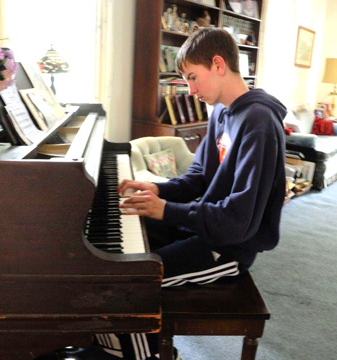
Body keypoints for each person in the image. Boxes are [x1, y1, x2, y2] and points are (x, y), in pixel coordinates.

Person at [96, 27, 287, 360]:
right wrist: (157, 190)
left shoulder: (259, 122)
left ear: (218, 64)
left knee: (130, 286)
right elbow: (196, 179)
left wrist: (165, 210)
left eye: (192, 77)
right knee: (119, 238)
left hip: (227, 248)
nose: (191, 89)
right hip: (202, 222)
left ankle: (150, 355)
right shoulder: (221, 112)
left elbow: (238, 222)